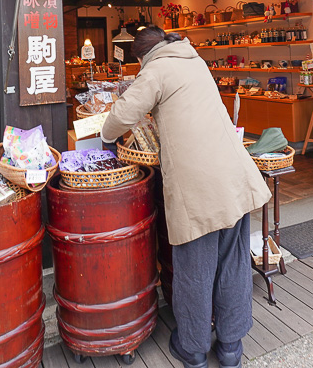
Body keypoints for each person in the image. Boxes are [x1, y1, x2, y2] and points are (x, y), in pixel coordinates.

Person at [101, 26, 271, 368]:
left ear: (142, 55)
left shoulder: (155, 69)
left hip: (198, 186)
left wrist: (105, 135)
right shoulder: (193, 59)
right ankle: (230, 347)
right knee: (233, 262)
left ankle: (193, 349)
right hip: (232, 176)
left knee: (195, 268)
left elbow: (121, 116)